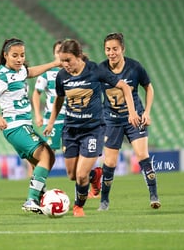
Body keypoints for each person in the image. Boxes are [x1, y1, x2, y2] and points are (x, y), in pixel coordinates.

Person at [43, 39, 141, 217]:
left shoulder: (95, 70)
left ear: (78, 56)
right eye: (62, 61)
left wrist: (132, 112)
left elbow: (125, 87)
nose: (65, 64)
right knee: (72, 175)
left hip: (93, 130)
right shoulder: (62, 76)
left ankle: (78, 206)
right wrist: (51, 122)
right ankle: (96, 176)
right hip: (71, 130)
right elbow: (59, 98)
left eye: (68, 60)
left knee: (81, 176)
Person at [0, 38, 58, 213]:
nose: (19, 59)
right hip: (15, 126)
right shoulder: (1, 76)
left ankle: (40, 196)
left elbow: (31, 71)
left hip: (24, 125)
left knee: (39, 161)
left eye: (22, 55)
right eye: (15, 55)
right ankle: (31, 199)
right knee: (47, 155)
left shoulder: (20, 71)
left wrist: (54, 64)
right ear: (5, 55)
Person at [97, 32, 160, 211]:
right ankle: (104, 201)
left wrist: (147, 112)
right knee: (109, 162)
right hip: (111, 120)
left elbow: (149, 88)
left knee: (142, 155)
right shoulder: (101, 70)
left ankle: (154, 196)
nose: (111, 53)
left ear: (122, 49)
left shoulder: (134, 67)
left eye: (115, 49)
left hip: (135, 118)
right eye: (108, 49)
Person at [33, 40, 65, 153]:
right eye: (58, 52)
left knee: (71, 155)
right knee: (48, 155)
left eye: (63, 51)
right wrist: (37, 115)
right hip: (51, 120)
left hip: (70, 120)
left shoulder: (74, 72)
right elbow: (36, 93)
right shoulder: (47, 73)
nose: (61, 54)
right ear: (54, 54)